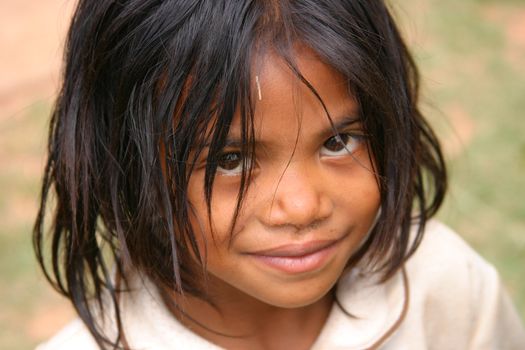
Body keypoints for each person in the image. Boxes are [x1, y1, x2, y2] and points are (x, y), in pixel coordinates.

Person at [33, 0, 525, 349]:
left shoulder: (445, 288)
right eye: (230, 160)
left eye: (338, 142)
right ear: (124, 165)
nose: (303, 206)